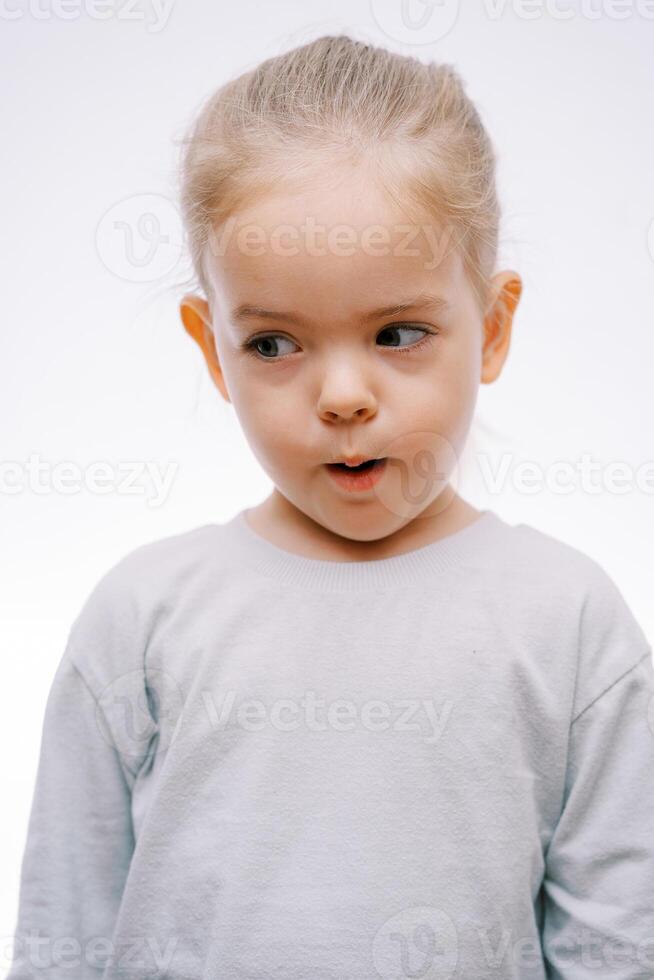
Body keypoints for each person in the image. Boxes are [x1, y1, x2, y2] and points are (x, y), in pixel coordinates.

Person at [7, 35, 654, 980]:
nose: (342, 397)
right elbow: (60, 937)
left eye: (398, 333)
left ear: (494, 327)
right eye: (274, 344)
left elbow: (618, 948)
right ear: (210, 347)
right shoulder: (142, 617)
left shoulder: (572, 623)